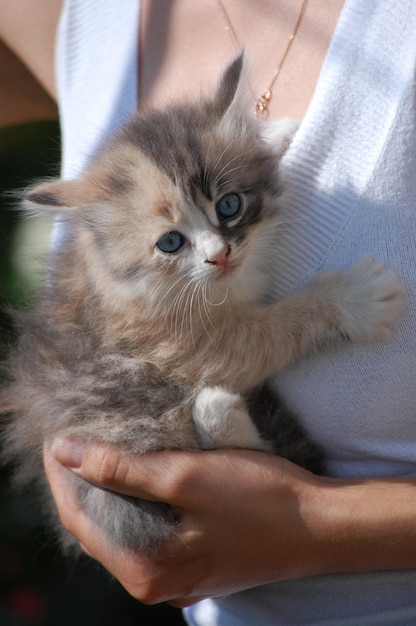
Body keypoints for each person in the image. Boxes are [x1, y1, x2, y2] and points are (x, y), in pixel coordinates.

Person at [2, 0, 416, 623]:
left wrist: (318, 526)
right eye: (173, 244)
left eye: (226, 212)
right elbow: (212, 350)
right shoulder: (88, 18)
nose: (218, 254)